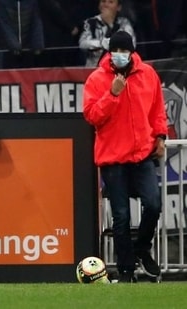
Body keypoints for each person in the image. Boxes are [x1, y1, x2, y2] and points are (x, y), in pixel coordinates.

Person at [83, 31, 166, 283]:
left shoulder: (148, 74)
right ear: (109, 53)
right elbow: (92, 116)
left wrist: (160, 136)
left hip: (142, 154)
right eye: (115, 51)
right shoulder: (97, 79)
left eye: (123, 51)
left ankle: (142, 248)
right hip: (113, 156)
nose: (119, 55)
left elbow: (157, 109)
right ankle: (126, 269)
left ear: (132, 51)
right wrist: (113, 94)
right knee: (121, 216)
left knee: (153, 204)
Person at [78, 0, 135, 67]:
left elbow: (131, 44)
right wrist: (102, 43)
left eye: (110, 2)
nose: (106, 5)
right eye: (103, 1)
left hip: (119, 68)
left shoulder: (124, 23)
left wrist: (110, 24)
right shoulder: (90, 22)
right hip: (94, 68)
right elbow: (82, 44)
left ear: (118, 7)